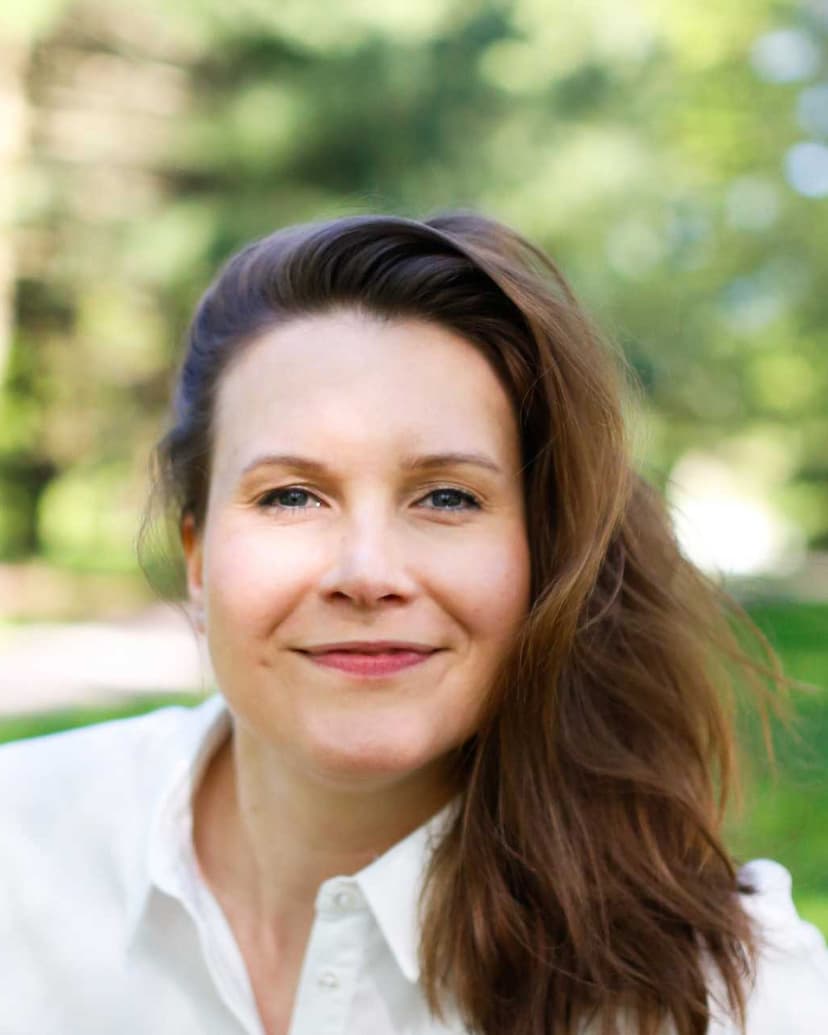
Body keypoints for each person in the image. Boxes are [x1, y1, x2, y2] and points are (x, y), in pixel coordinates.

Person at [1, 213, 826, 1035]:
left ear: (542, 556)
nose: (368, 575)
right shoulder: (20, 843)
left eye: (446, 497)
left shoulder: (727, 997)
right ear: (197, 555)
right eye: (291, 495)